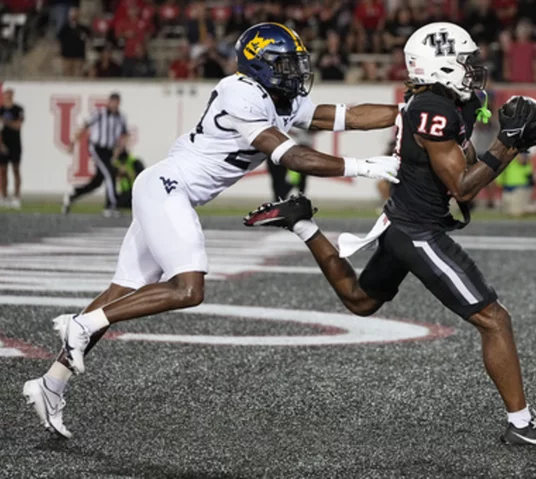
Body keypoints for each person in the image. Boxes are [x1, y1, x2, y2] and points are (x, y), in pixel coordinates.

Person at [23, 22, 401, 438]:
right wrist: (363, 166)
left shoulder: (277, 95)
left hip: (168, 190)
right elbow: (290, 156)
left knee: (121, 293)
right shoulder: (240, 92)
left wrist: (406, 112)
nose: (295, 73)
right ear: (259, 65)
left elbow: (344, 116)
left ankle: (50, 383)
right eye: (286, 64)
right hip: (169, 187)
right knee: (188, 289)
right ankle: (82, 323)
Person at [245, 22, 536, 447]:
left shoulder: (447, 102)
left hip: (402, 222)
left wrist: (504, 142)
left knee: (361, 301)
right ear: (440, 65)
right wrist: (509, 144)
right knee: (495, 320)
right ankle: (522, 425)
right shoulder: (431, 107)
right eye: (464, 61)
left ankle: (301, 221)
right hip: (417, 231)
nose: (474, 68)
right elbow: (464, 185)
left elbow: (464, 158)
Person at [62, 92, 128, 217]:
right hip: (97, 148)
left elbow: (124, 136)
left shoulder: (121, 117)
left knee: (97, 182)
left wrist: (118, 151)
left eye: (117, 102)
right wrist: (72, 143)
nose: (114, 105)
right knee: (110, 173)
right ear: (109, 102)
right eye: (112, 102)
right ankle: (111, 205)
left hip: (109, 150)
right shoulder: (100, 114)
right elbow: (84, 127)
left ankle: (73, 194)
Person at [0, 88, 24, 209]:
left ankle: (16, 197)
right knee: (3, 172)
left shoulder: (18, 109)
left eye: (10, 94)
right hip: (4, 144)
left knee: (16, 170)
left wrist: (5, 121)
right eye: (6, 94)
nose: (7, 96)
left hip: (15, 143)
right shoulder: (1, 110)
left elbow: (17, 126)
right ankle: (3, 196)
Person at [57, 7, 89, 77]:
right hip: (67, 56)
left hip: (78, 57)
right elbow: (59, 39)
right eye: (72, 14)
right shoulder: (64, 29)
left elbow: (88, 37)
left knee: (78, 76)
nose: (74, 16)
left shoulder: (83, 29)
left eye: (75, 14)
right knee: (67, 77)